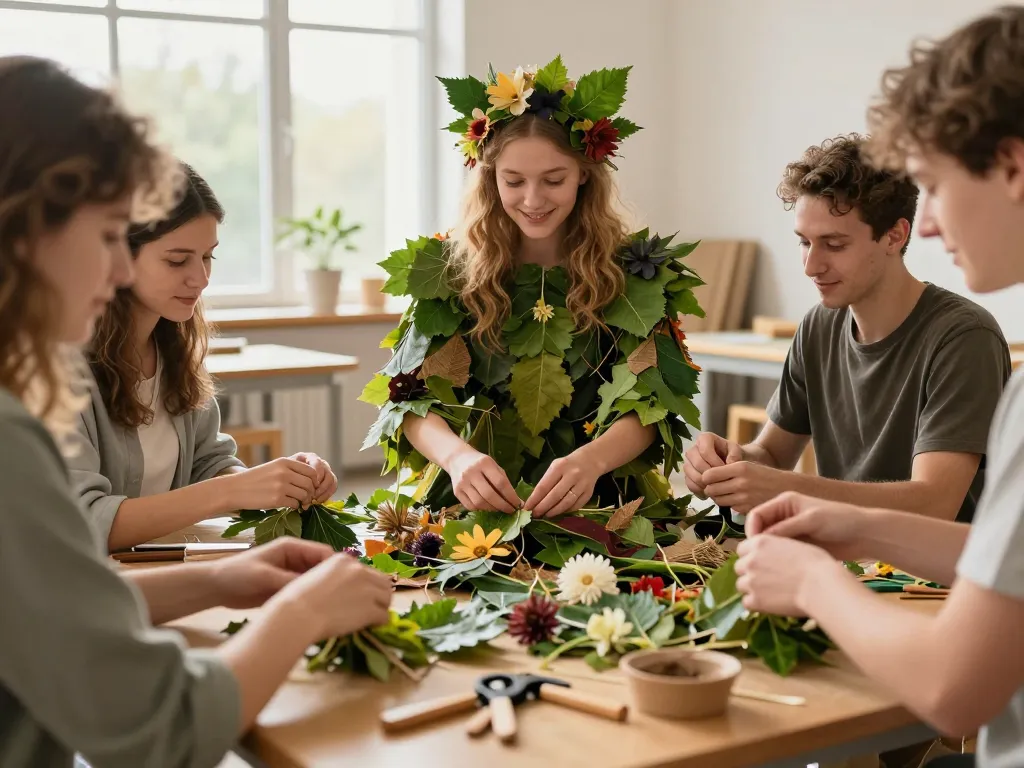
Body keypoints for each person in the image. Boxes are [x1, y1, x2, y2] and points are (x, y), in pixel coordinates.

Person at [0, 55, 392, 768]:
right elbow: (161, 731)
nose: (121, 270)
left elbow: (44, 611)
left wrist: (218, 578)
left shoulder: (173, 353)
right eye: (108, 234)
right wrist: (301, 612)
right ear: (27, 230)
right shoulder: (13, 428)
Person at [735, 8, 1024, 767]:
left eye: (935, 185)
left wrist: (814, 580)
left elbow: (955, 689)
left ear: (1012, 167)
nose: (927, 225)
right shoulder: (820, 327)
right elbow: (999, 555)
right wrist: (847, 525)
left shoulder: (965, 337)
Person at [364, 59, 703, 519]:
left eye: (553, 180)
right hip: (474, 503)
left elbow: (653, 402)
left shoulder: (636, 274)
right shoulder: (448, 268)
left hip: (606, 500)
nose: (533, 200)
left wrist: (592, 460)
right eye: (514, 181)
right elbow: (408, 398)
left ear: (584, 173)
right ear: (490, 178)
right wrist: (457, 457)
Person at [684, 134, 1010, 523]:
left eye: (834, 245)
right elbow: (771, 454)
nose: (811, 266)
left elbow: (934, 502)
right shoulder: (818, 326)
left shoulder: (964, 337)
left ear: (895, 236)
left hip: (937, 563)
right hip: (842, 550)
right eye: (804, 242)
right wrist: (731, 463)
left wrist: (784, 487)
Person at [67, 163, 338, 552]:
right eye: (177, 261)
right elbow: (81, 522)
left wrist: (277, 482)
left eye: (208, 257)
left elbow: (206, 464)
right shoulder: (58, 370)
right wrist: (231, 490)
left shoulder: (174, 351)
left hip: (162, 571)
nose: (201, 278)